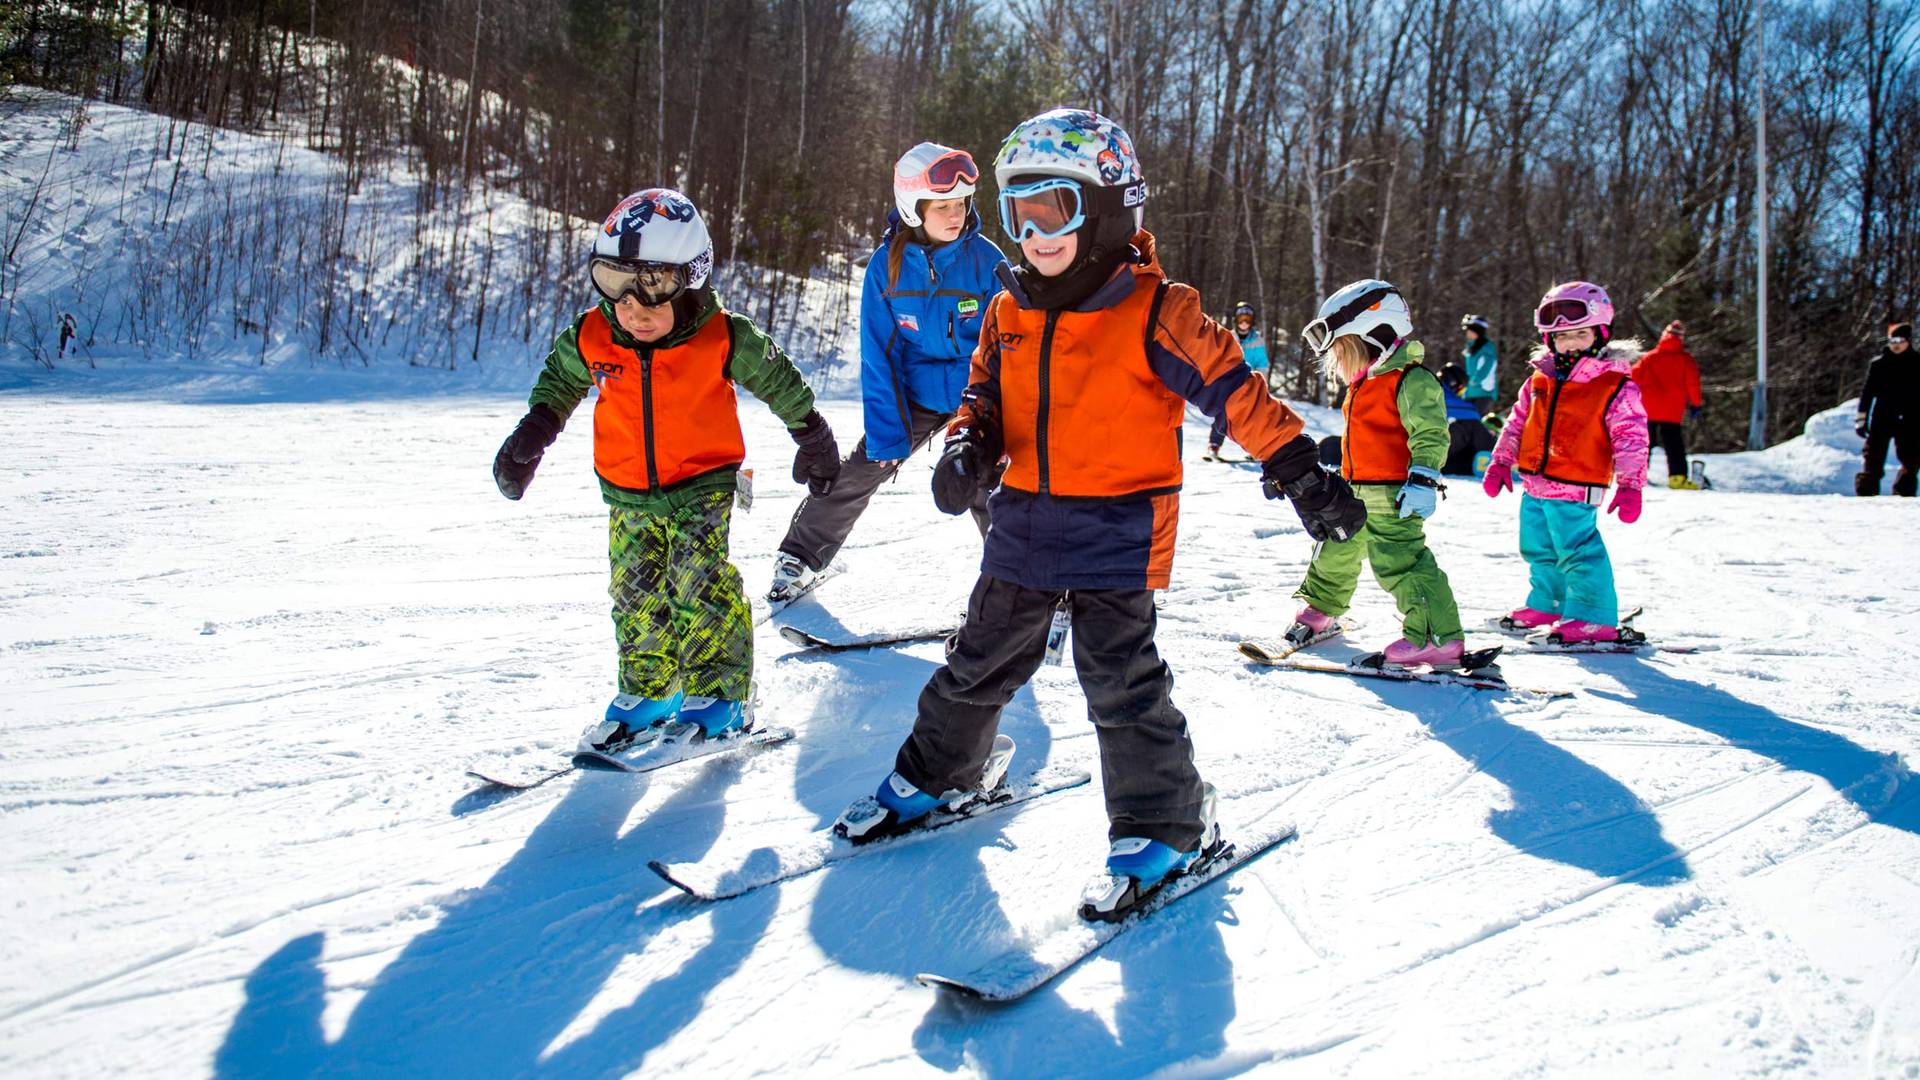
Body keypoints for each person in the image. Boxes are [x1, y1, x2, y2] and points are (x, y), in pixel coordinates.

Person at [831, 108, 1366, 918]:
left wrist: (1298, 470)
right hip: (1025, 517)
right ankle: (940, 773)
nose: (1035, 234)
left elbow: (1234, 390)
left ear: (1111, 208)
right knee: (979, 657)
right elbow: (983, 395)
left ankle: (1167, 824)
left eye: (1056, 210)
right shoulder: (1008, 309)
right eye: (1020, 214)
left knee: (1118, 680)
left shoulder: (1157, 310)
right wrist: (968, 446)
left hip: (1120, 525)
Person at [492, 188, 840, 751]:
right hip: (626, 489)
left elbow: (778, 380)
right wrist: (534, 431)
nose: (632, 310)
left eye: (651, 289)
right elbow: (558, 382)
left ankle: (722, 697)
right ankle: (651, 691)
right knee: (634, 592)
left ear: (690, 279)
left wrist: (812, 435)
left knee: (697, 582)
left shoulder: (722, 336)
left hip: (702, 481)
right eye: (613, 284)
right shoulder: (594, 334)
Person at [767, 143, 1008, 600]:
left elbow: (1010, 346)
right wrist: (887, 437)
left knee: (989, 483)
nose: (956, 214)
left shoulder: (987, 261)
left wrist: (997, 424)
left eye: (961, 203)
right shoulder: (886, 268)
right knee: (861, 469)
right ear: (914, 208)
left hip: (977, 394)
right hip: (915, 395)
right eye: (943, 206)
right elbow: (879, 356)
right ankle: (800, 557)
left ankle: (1021, 583)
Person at [1284, 280, 1466, 666]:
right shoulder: (1366, 382)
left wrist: (1423, 478)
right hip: (1353, 491)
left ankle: (1437, 636)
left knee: (1399, 563)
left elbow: (1431, 433)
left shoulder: (1411, 380)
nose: (1338, 362)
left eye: (1342, 350)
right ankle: (1323, 606)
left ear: (1374, 336)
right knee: (1335, 549)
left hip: (1394, 497)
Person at [1482, 281, 1649, 644]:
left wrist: (1631, 484)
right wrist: (1501, 461)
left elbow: (1631, 437)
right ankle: (1549, 603)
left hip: (1578, 482)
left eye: (1580, 333)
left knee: (1577, 551)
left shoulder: (1613, 384)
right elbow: (1517, 422)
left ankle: (1593, 616)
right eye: (1561, 336)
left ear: (1600, 334)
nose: (1570, 343)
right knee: (1538, 548)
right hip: (1536, 482)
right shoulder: (1540, 378)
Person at [1631, 320, 1706, 488]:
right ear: (1681, 338)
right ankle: (1677, 478)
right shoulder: (1686, 360)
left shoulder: (1649, 358)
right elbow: (1693, 384)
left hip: (1648, 407)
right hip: (1672, 410)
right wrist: (1696, 404)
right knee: (1674, 444)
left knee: (1644, 442)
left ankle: (1636, 475)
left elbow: (1633, 378)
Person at [1856, 321, 1916, 497]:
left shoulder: (1917, 363)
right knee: (1873, 456)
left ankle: (1904, 495)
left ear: (1908, 341)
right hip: (1883, 416)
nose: (1896, 345)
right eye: (1892, 341)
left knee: (1911, 458)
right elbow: (1867, 393)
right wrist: (1861, 420)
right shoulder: (1879, 364)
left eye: (1900, 340)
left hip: (1911, 417)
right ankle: (1866, 494)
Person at [1205, 301, 1270, 459]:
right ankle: (1214, 445)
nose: (1244, 322)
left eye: (1247, 319)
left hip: (1250, 383)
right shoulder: (1228, 337)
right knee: (1223, 413)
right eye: (1241, 319)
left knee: (1253, 416)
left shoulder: (1257, 340)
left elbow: (1262, 363)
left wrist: (1259, 381)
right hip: (1230, 382)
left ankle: (1255, 449)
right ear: (1236, 320)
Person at [1437, 362, 1497, 476]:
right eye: (1461, 389)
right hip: (1445, 454)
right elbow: (1473, 419)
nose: (1461, 394)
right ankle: (1499, 458)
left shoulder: (1426, 395)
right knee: (1474, 426)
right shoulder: (1459, 405)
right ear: (1453, 384)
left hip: (1429, 457)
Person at [1461, 314, 1498, 415]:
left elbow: (1487, 366)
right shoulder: (1470, 347)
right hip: (1470, 392)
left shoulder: (1487, 347)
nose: (1468, 333)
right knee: (1466, 417)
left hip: (1484, 392)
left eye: (1470, 331)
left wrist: (1475, 380)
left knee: (1475, 418)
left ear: (1478, 332)